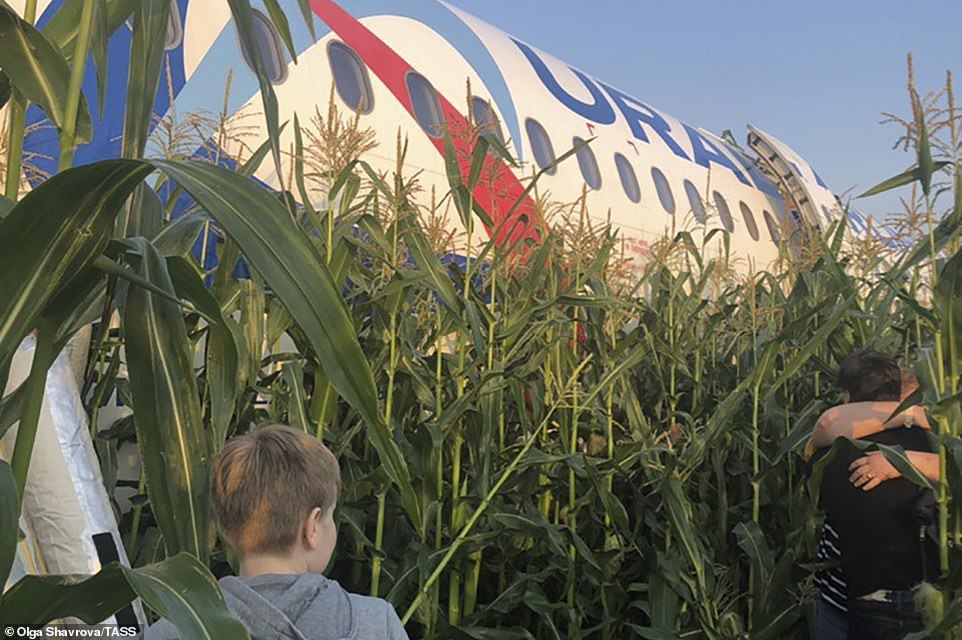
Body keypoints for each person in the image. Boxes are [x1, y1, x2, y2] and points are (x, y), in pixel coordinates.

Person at [144, 425, 409, 640]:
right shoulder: (375, 623)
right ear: (312, 526)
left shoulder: (178, 628)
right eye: (331, 515)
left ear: (225, 530)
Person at [810, 351, 937, 640]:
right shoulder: (932, 442)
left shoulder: (829, 448)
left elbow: (829, 423)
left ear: (846, 395)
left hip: (848, 594)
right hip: (906, 597)